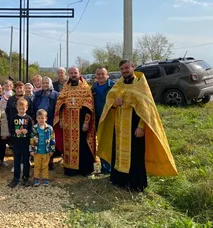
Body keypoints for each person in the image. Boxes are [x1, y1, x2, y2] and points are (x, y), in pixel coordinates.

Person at [97, 60, 178, 191]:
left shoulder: (141, 85)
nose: (124, 71)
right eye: (122, 69)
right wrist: (115, 103)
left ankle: (135, 184)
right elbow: (110, 101)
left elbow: (147, 109)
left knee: (135, 155)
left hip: (134, 126)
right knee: (118, 154)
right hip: (119, 127)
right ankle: (119, 180)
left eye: (127, 68)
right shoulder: (119, 85)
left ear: (133, 68)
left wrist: (141, 126)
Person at [53, 66, 96, 176]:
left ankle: (84, 169)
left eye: (75, 73)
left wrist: (86, 122)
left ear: (79, 73)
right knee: (68, 145)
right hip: (67, 123)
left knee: (83, 144)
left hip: (81, 122)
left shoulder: (86, 88)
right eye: (71, 73)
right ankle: (70, 169)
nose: (73, 75)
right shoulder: (65, 88)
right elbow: (60, 105)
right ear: (69, 75)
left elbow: (88, 106)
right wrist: (61, 119)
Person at [32, 76, 59, 170]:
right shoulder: (38, 93)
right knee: (39, 141)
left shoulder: (56, 95)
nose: (45, 84)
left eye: (47, 83)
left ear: (50, 84)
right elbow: (33, 106)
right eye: (43, 83)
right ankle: (39, 161)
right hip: (38, 122)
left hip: (50, 121)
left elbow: (58, 109)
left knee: (49, 141)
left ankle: (49, 162)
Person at [91, 67, 114, 174]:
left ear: (107, 75)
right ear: (96, 76)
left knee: (110, 143)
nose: (100, 76)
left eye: (102, 74)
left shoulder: (113, 87)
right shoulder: (93, 89)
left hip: (110, 120)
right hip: (97, 119)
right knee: (100, 142)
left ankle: (112, 167)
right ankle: (104, 167)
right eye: (98, 74)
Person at [6, 81, 33, 172]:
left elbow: (31, 112)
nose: (19, 89)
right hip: (14, 124)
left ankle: (25, 162)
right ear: (15, 89)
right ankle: (16, 163)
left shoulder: (27, 98)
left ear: (23, 89)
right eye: (17, 88)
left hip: (25, 125)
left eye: (21, 87)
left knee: (25, 145)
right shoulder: (11, 99)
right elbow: (7, 112)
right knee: (15, 145)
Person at [8, 98, 33, 187]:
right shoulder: (14, 118)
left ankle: (25, 178)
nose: (21, 110)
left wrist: (28, 131)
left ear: (26, 108)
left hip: (26, 143)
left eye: (23, 108)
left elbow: (32, 130)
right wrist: (15, 131)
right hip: (16, 143)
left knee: (26, 161)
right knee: (17, 161)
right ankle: (16, 178)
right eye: (20, 108)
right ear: (17, 108)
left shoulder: (29, 118)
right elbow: (10, 129)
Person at [30, 109, 56, 187]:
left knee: (45, 166)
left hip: (46, 151)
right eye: (39, 118)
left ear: (46, 118)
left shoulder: (49, 128)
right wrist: (31, 150)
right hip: (37, 151)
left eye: (42, 118)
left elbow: (52, 139)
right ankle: (36, 179)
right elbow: (31, 140)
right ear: (37, 119)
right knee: (37, 166)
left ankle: (45, 179)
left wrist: (52, 149)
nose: (41, 120)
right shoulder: (34, 128)